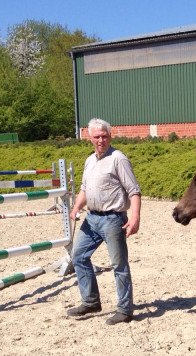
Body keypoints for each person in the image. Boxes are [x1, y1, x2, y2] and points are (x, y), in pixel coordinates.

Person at [67, 118, 141, 325]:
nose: (101, 140)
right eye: (97, 137)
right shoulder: (90, 161)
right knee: (78, 256)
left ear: (110, 136)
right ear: (89, 138)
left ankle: (125, 309)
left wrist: (135, 218)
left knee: (119, 264)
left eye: (104, 136)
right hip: (92, 219)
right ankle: (90, 301)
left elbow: (134, 191)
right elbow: (84, 189)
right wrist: (76, 207)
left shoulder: (118, 159)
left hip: (113, 219)